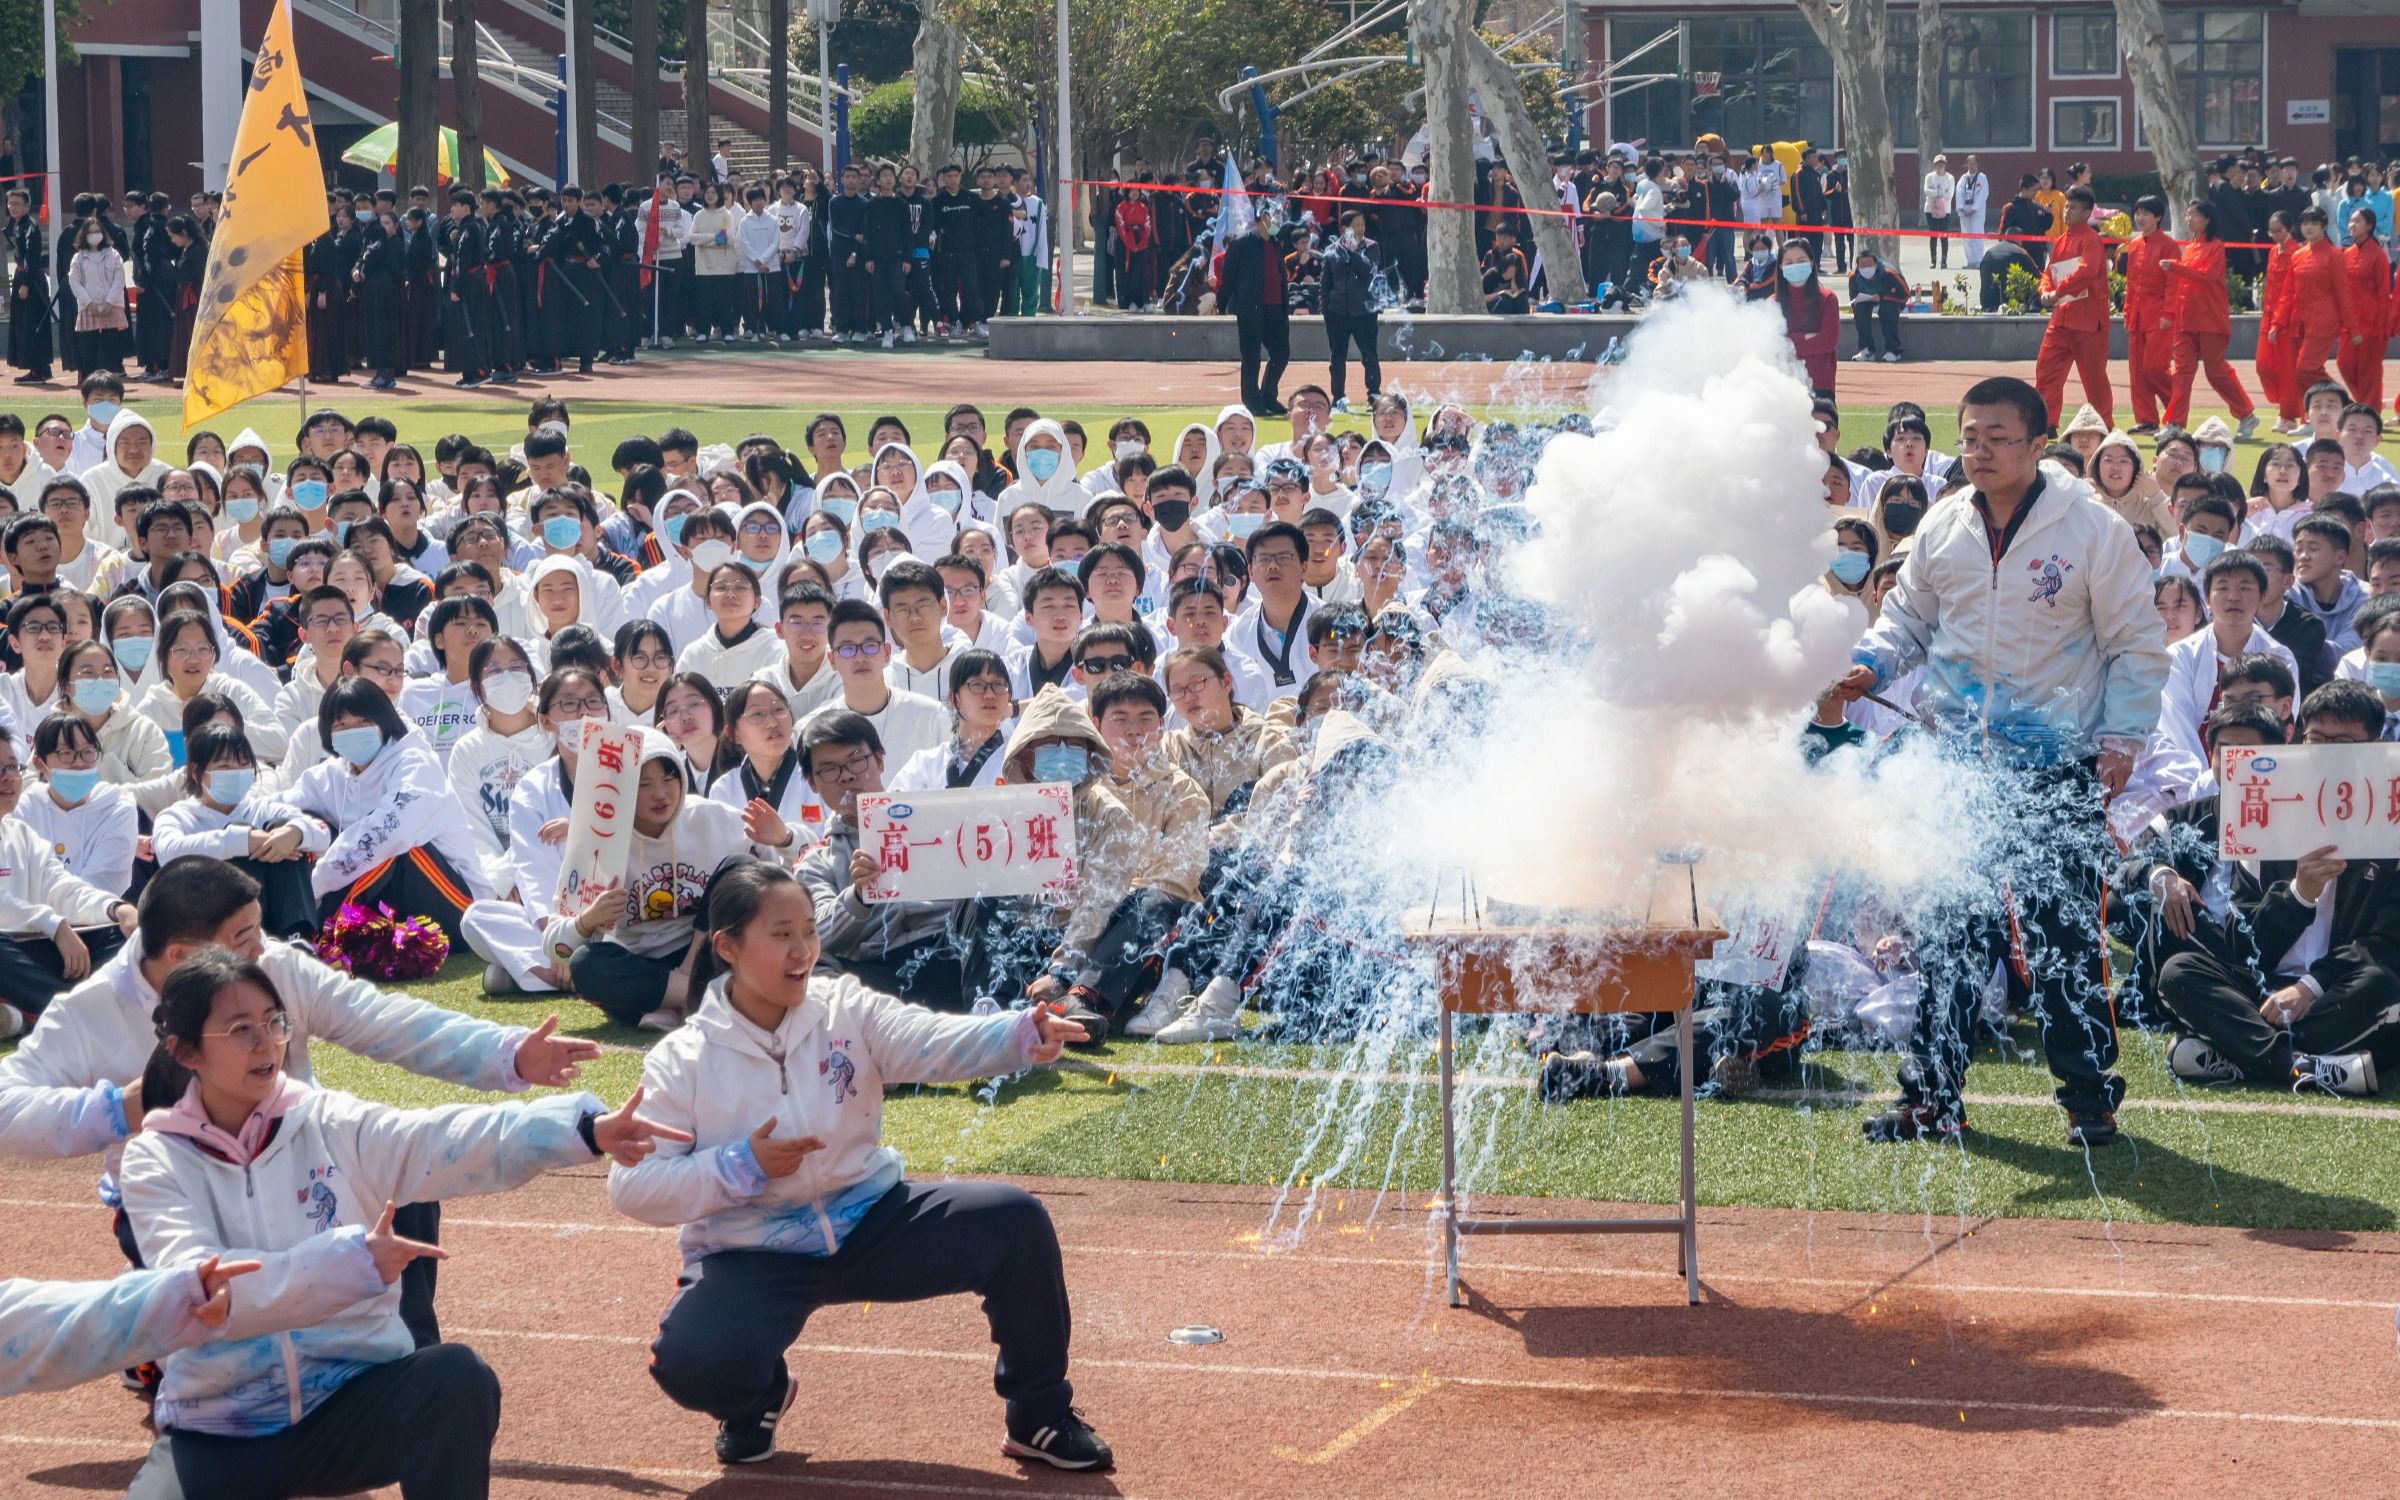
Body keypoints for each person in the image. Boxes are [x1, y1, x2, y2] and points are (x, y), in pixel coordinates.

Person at [119, 947, 682, 1500]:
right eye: (241, 1029)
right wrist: (352, 1264)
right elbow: (207, 1288)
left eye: (275, 1021)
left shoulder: (327, 1120)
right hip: (220, 1429)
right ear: (187, 1051)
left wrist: (579, 1130)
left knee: (454, 1377)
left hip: (346, 1405)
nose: (267, 1043)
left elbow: (439, 1140)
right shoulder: (155, 1160)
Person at [608, 859, 1107, 1470]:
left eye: (810, 931)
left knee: (1015, 1223)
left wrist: (1018, 1035)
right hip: (752, 1250)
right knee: (692, 1363)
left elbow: (928, 1040)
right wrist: (739, 1166)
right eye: (782, 933)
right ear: (727, 946)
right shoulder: (680, 1060)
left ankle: (1039, 1416)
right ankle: (757, 1398)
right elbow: (633, 1186)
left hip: (872, 1220)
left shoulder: (843, 1007)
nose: (804, 950)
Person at [1834, 376, 2168, 1145]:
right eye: (1971, 436)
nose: (1980, 451)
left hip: (2057, 768)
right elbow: (1906, 622)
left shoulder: (2092, 529)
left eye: (1998, 437)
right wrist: (1871, 667)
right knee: (1950, 934)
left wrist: (2120, 742)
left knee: (2063, 938)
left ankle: (2088, 1096)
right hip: (1959, 768)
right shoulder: (1945, 525)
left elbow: (2137, 646)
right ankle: (1932, 1096)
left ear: (2039, 444)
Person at [2154, 681, 2400, 1094]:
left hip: (2339, 991)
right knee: (2180, 973)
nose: (2325, 754)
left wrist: (2310, 987)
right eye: (2316, 739)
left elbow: (2388, 941)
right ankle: (2303, 1066)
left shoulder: (2391, 821)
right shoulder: (2265, 811)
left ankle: (2237, 1054)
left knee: (2383, 986)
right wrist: (2299, 894)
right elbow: (2244, 943)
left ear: (2374, 746)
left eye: (2343, 742)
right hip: (2264, 991)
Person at [0, 725, 139, 1027]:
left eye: (12, 767)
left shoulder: (19, 834)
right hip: (8, 954)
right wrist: (55, 924)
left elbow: (60, 885)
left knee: (117, 934)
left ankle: (27, 1011)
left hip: (31, 950)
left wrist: (115, 908)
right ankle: (78, 1014)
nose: (8, 778)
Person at [2161, 200, 2257, 435]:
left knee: (2215, 372)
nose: (2188, 219)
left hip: (2209, 318)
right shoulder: (2192, 247)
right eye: (2187, 214)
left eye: (2193, 215)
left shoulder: (2215, 246)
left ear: (2207, 219)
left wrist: (2175, 266)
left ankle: (2246, 414)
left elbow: (2207, 276)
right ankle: (2175, 423)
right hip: (2187, 319)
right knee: (2182, 371)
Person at [2032, 187, 2113, 430]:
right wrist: (2045, 290)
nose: (2067, 211)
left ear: (2087, 212)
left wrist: (2056, 292)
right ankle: (2047, 422)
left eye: (2073, 207)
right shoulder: (2061, 241)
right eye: (2066, 206)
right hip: (2062, 319)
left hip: (2088, 322)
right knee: (2046, 370)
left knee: (2094, 379)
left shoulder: (2091, 240)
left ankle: (2104, 425)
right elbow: (2049, 272)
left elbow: (2086, 273)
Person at [1217, 205, 1293, 416]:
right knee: (1251, 357)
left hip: (1276, 309)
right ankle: (1252, 401)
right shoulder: (1242, 244)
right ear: (1261, 219)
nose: (1277, 222)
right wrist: (1222, 304)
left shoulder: (1277, 243)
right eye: (1273, 217)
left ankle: (1269, 395)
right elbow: (1228, 276)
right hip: (1251, 310)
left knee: (1281, 353)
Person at [2119, 195, 2179, 435]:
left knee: (2155, 367)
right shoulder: (2134, 245)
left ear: (2158, 217)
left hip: (2159, 315)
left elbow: (2174, 283)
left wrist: (2169, 313)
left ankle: (2176, 411)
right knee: (2137, 371)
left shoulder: (2168, 245)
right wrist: (2127, 311)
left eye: (2146, 213)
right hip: (2137, 315)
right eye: (2138, 212)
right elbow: (2130, 283)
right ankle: (2146, 419)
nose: (2140, 218)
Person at [1318, 211, 1385, 412]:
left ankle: (1373, 395)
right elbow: (1325, 282)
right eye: (1355, 225)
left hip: (1364, 312)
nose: (1360, 229)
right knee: (1337, 357)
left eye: (1362, 225)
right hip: (1337, 312)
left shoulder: (1372, 247)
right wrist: (1325, 308)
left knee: (1369, 354)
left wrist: (1354, 252)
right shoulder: (1331, 250)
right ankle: (1338, 397)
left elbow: (1369, 271)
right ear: (1343, 228)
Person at [2337, 207, 2389, 412]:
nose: (2352, 225)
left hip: (2371, 323)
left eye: (2357, 221)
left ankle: (2369, 412)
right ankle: (2367, 406)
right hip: (2349, 323)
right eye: (2351, 221)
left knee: (2369, 371)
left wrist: (2381, 326)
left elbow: (2383, 293)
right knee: (2344, 364)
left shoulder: (2378, 256)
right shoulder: (2347, 253)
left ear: (2369, 226)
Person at [1774, 242, 1839, 396]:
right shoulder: (1773, 303)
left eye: (1801, 261)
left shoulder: (1828, 298)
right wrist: (1806, 337)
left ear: (1811, 262)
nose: (1795, 266)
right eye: (1789, 262)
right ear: (1781, 267)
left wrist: (1789, 343)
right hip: (1784, 385)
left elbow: (1828, 341)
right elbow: (1773, 345)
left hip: (1821, 383)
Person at [1846, 250, 1909, 364]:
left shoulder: (1890, 273)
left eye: (1869, 265)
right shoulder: (1854, 277)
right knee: (1859, 308)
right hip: (1867, 299)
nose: (1866, 268)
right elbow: (1853, 298)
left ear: (1876, 265)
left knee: (1886, 310)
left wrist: (1882, 297)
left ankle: (1894, 350)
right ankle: (1866, 350)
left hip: (1889, 299)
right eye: (1862, 265)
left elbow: (1905, 293)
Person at [1921, 155, 1956, 270]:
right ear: (1934, 165)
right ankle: (1933, 259)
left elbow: (1949, 194)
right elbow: (1926, 191)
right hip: (1930, 209)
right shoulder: (1929, 177)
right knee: (1933, 234)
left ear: (1945, 165)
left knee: (1943, 234)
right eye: (1938, 163)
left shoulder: (1950, 178)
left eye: (1942, 163)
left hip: (1945, 209)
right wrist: (1940, 192)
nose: (1940, 165)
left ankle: (1944, 260)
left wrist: (1935, 193)